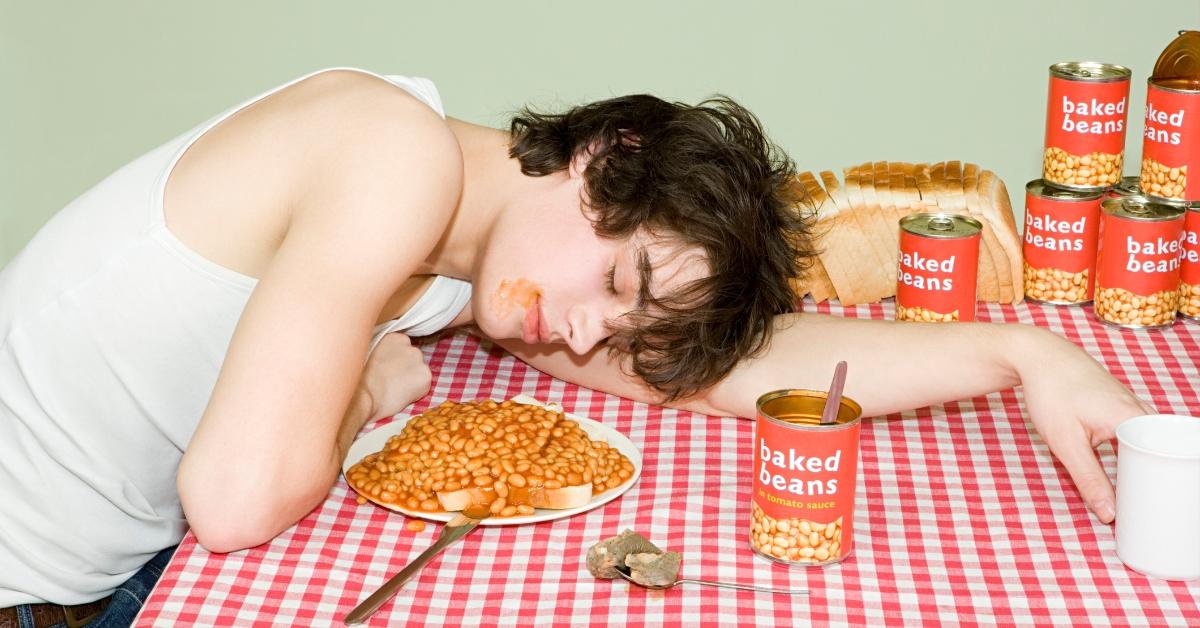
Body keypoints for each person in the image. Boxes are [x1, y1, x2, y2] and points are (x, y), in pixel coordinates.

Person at [0, 67, 1149, 623]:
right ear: (601, 158)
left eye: (629, 319)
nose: (591, 332)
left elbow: (734, 372)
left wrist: (1026, 356)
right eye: (622, 279)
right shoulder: (388, 157)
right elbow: (237, 502)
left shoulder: (473, 257)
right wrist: (362, 387)